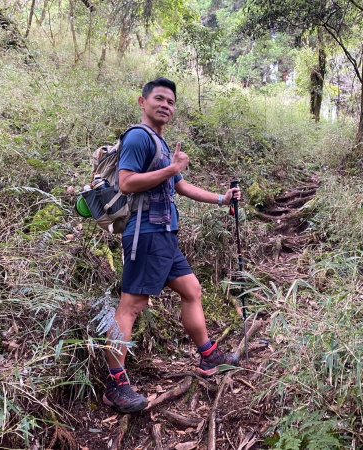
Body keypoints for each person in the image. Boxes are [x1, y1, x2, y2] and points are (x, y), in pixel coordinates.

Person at [102, 78, 241, 414]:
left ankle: (209, 357)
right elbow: (127, 182)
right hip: (145, 234)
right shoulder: (138, 137)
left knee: (192, 289)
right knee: (132, 306)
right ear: (142, 101)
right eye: (159, 99)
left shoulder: (161, 143)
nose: (166, 105)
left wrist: (222, 199)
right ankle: (115, 385)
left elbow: (180, 186)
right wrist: (172, 167)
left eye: (171, 102)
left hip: (164, 234)